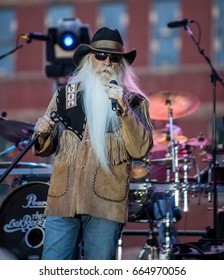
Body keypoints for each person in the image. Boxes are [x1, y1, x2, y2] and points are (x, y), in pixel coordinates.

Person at [32, 27, 153, 260]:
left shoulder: (135, 103)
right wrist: (43, 133)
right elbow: (45, 147)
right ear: (89, 60)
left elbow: (139, 148)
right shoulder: (65, 96)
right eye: (100, 55)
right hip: (63, 201)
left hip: (105, 207)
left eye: (114, 58)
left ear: (121, 64)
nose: (107, 62)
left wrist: (123, 110)